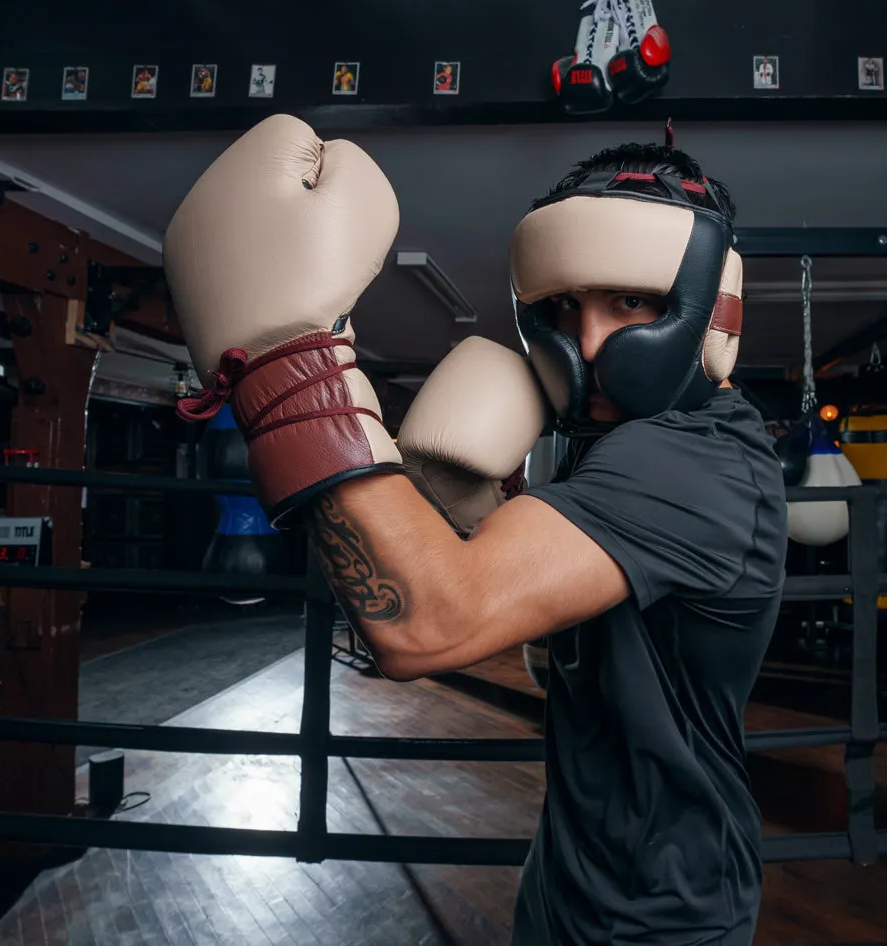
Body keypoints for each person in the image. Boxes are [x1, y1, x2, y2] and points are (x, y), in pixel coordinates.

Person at [163, 116, 787, 946]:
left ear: (710, 315)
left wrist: (290, 369)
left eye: (632, 302)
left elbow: (425, 624)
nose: (591, 343)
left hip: (661, 920)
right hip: (576, 878)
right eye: (564, 307)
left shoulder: (687, 463)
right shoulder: (608, 448)